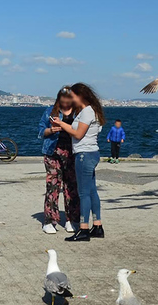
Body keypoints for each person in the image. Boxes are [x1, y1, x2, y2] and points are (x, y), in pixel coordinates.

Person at [51, 83, 105, 242]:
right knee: (92, 191)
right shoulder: (92, 111)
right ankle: (97, 225)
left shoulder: (87, 112)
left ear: (80, 96)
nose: (71, 99)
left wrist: (61, 124)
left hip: (84, 155)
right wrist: (64, 126)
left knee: (83, 193)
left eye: (73, 96)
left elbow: (78, 134)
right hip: (92, 153)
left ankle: (83, 229)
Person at [37, 86, 80, 235]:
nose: (66, 104)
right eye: (63, 101)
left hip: (72, 153)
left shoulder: (78, 112)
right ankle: (49, 220)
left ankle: (72, 220)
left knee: (71, 187)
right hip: (52, 152)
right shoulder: (50, 111)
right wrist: (51, 130)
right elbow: (41, 131)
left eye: (69, 100)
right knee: (53, 186)